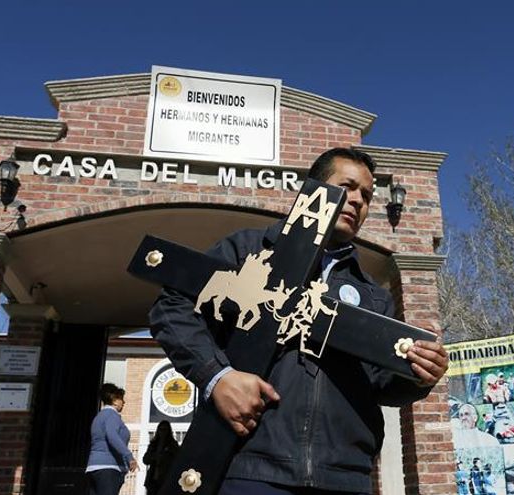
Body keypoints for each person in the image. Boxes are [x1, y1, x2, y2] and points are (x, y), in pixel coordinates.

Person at [150, 147, 449, 494]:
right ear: (314, 189)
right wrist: (217, 376)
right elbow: (173, 307)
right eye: (347, 186)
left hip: (345, 476)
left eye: (366, 196)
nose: (357, 201)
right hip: (249, 468)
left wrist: (418, 375)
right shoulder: (248, 251)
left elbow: (381, 384)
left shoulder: (372, 295)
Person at [86, 384, 137, 495]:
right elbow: (112, 436)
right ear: (114, 400)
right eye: (121, 399)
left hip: (94, 467)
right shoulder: (112, 415)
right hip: (109, 467)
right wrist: (129, 457)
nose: (124, 402)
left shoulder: (99, 417)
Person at [143, 420, 179, 495]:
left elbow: (178, 459)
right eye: (161, 429)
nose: (162, 432)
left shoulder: (172, 445)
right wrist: (154, 457)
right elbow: (145, 460)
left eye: (165, 430)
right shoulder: (153, 444)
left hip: (166, 479)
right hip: (153, 479)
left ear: (168, 431)